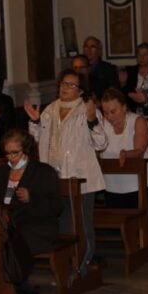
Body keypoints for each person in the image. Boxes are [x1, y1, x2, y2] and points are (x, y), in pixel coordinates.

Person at [24, 68, 107, 270]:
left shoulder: (86, 110)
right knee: (61, 222)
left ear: (80, 91)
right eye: (63, 84)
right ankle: (66, 264)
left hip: (80, 178)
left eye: (71, 85)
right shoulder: (50, 110)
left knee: (82, 223)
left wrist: (91, 120)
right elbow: (34, 142)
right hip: (54, 177)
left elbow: (102, 143)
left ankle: (85, 262)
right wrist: (35, 122)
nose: (66, 88)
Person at [0, 129, 63, 294]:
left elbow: (56, 207)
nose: (11, 158)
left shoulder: (43, 172)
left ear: (26, 150)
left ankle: (18, 287)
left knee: (12, 241)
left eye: (15, 153)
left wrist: (31, 198)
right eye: (7, 154)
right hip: (6, 225)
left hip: (37, 226)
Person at [99, 87, 148, 209]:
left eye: (113, 112)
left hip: (138, 186)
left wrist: (126, 154)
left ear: (124, 107)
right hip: (111, 187)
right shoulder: (102, 124)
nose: (109, 116)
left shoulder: (137, 121)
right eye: (105, 112)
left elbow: (139, 151)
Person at [118, 42, 148, 117]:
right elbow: (124, 96)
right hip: (134, 115)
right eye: (139, 55)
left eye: (145, 55)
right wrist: (123, 84)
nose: (142, 57)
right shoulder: (131, 71)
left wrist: (146, 101)